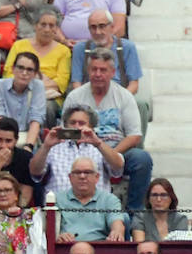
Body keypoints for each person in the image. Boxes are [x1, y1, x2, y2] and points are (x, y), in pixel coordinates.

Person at [62, 47, 151, 211]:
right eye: (94, 69)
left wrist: (110, 154)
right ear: (88, 71)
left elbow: (134, 136)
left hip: (115, 149)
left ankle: (135, 213)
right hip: (80, 150)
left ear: (112, 72)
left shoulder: (124, 96)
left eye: (103, 70)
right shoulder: (75, 96)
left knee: (142, 159)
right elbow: (65, 131)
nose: (98, 74)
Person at [30, 104, 122, 195]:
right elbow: (35, 172)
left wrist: (98, 143)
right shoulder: (53, 147)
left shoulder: (100, 148)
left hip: (96, 206)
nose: (77, 127)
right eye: (73, 123)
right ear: (65, 125)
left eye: (81, 123)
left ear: (91, 127)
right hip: (61, 206)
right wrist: (46, 146)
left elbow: (118, 168)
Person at [54, 155, 127, 242]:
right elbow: (49, 231)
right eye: (77, 172)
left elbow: (117, 222)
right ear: (70, 178)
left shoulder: (109, 199)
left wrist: (117, 232)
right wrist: (59, 236)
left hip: (99, 249)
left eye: (87, 172)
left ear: (97, 177)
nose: (82, 176)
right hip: (66, 248)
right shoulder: (57, 199)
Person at [0, 52, 46, 147]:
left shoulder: (38, 86)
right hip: (4, 137)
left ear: (35, 74)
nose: (24, 73)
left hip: (28, 136)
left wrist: (28, 147)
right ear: (13, 69)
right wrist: (8, 144)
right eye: (20, 68)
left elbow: (36, 119)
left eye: (29, 70)